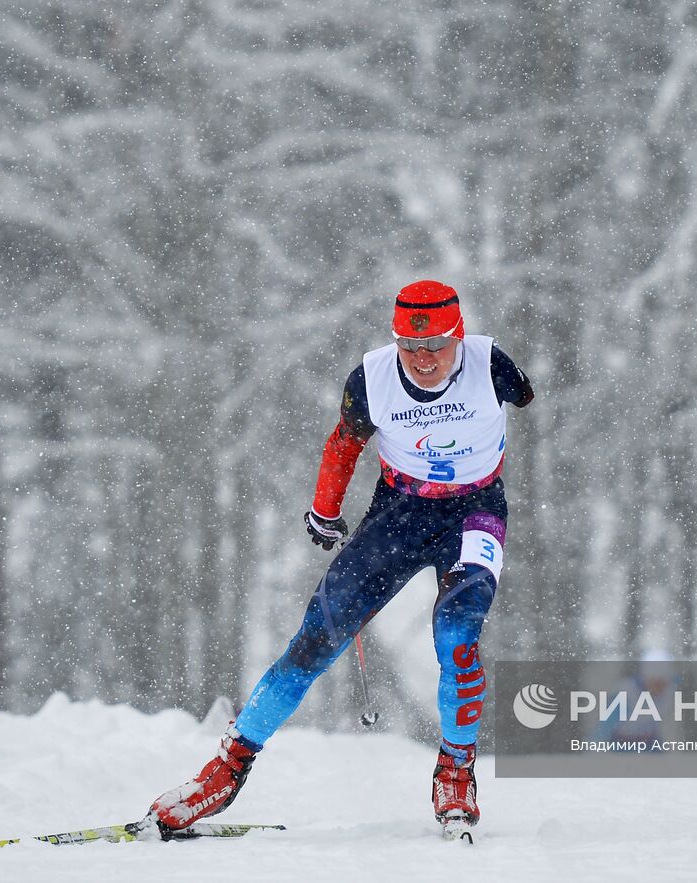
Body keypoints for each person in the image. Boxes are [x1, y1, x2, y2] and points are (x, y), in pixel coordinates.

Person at [146, 280, 534, 837]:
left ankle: (455, 771)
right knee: (314, 640)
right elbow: (344, 443)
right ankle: (224, 772)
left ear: (460, 338)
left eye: (436, 347)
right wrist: (324, 508)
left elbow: (525, 394)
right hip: (398, 513)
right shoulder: (372, 378)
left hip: (476, 511)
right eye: (409, 346)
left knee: (456, 637)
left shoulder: (490, 363)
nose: (422, 360)